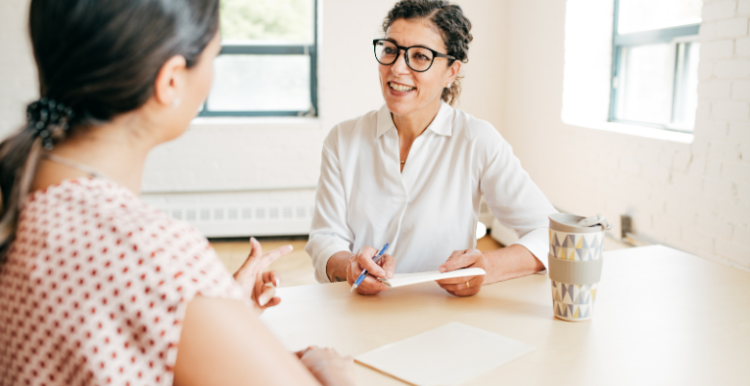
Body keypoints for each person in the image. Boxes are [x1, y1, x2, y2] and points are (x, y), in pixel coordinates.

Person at [0, 1, 353, 385]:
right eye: (213, 55)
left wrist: (214, 310)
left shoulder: (18, 195)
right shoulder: (153, 255)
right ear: (170, 80)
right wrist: (337, 377)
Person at [306, 0, 557, 297]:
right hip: (359, 307)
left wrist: (485, 267)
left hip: (442, 311)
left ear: (452, 71)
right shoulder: (343, 139)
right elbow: (325, 238)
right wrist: (349, 264)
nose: (397, 68)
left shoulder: (476, 139)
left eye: (420, 56)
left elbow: (551, 234)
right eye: (390, 50)